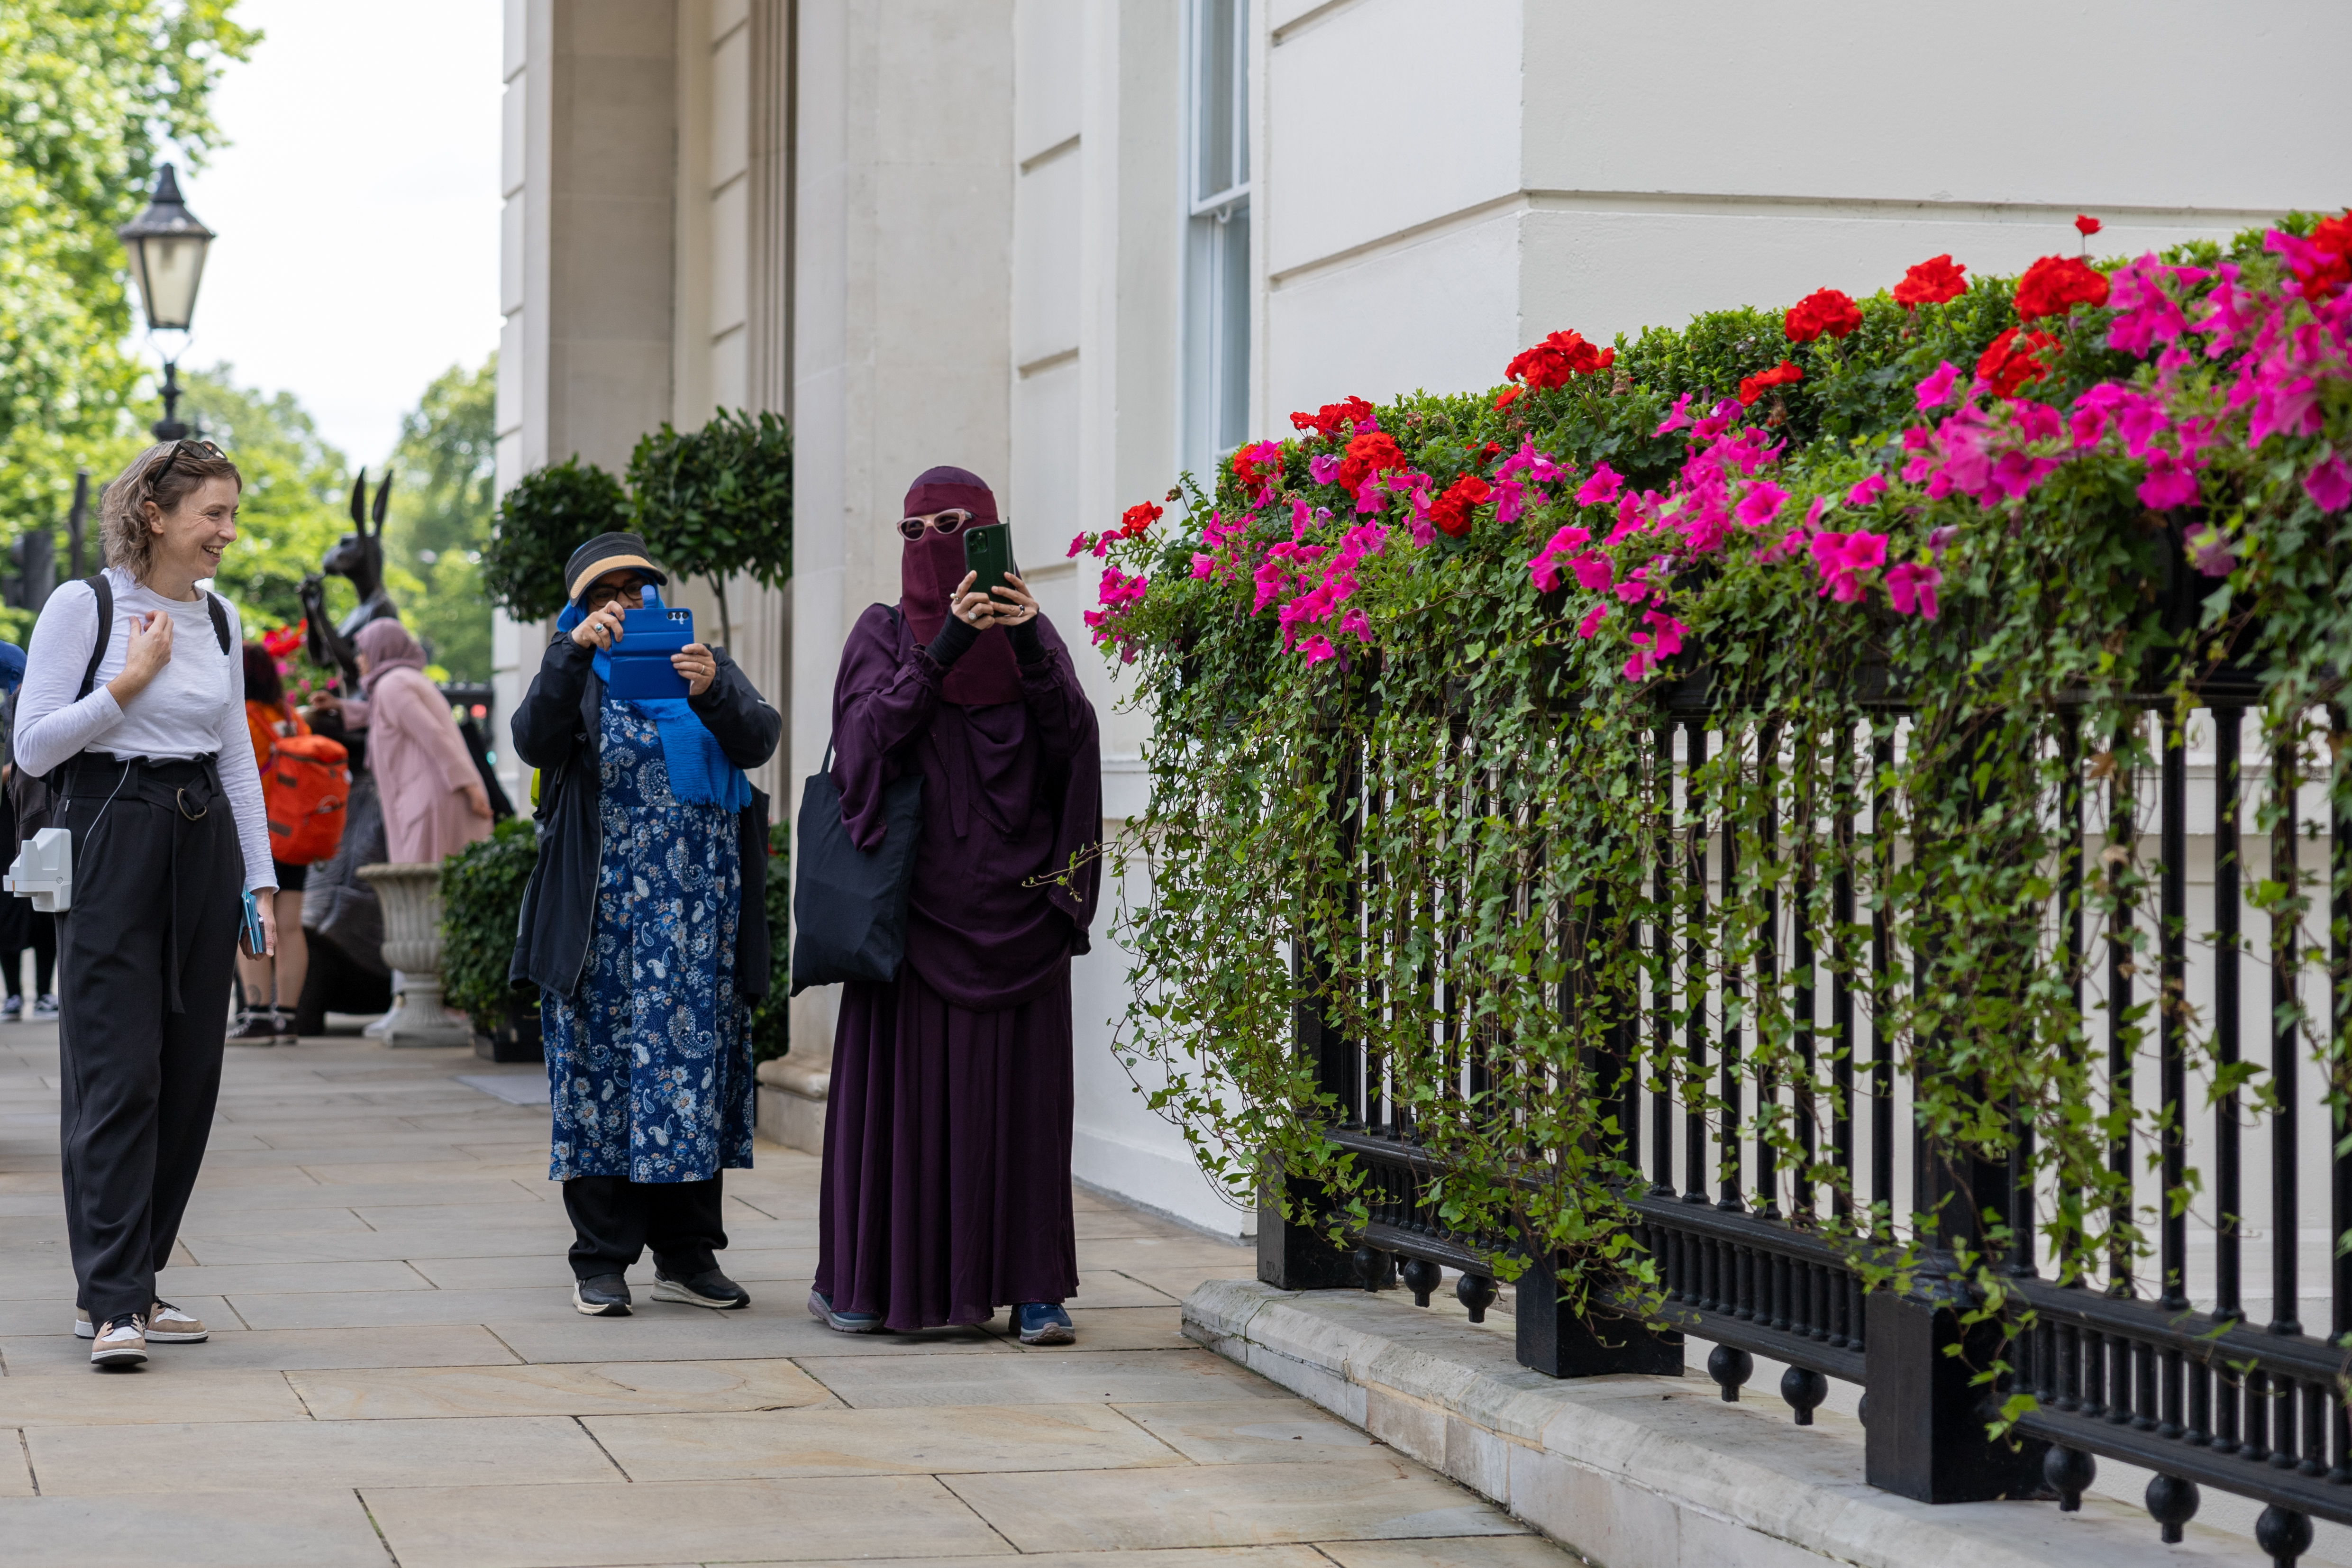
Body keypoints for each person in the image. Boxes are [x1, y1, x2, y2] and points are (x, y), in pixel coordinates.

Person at [811, 465, 1101, 1345]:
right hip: (912, 915)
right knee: (906, 1108)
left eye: (952, 525)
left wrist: (1022, 645)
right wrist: (937, 655)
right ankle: (875, 1283)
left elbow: (1071, 747)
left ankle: (1034, 1289)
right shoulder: (883, 633)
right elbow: (862, 749)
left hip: (1015, 912)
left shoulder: (1032, 634)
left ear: (989, 535)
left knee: (1019, 1108)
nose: (931, 544)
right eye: (913, 530)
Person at [11, 438, 277, 1368]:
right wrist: (126, 686)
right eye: (213, 514)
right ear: (155, 514)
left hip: (201, 838)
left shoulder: (224, 618)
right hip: (111, 834)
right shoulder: (84, 605)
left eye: (233, 514)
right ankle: (111, 1299)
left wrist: (262, 880)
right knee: (119, 1072)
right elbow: (37, 746)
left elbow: (237, 755)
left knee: (190, 1077)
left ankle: (137, 1279)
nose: (227, 534)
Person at [509, 531, 781, 1318]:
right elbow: (534, 738)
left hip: (695, 929)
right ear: (581, 605)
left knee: (690, 1084)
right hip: (604, 928)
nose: (627, 602)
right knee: (600, 1085)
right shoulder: (573, 671)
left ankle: (687, 1258)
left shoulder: (701, 662)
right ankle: (600, 1260)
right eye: (607, 592)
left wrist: (713, 690)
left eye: (638, 588)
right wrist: (569, 651)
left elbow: (758, 739)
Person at [349, 618, 491, 865]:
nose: (358, 660)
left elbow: (433, 736)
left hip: (429, 803)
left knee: (423, 893)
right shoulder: (404, 680)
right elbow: (384, 717)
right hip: (436, 796)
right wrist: (340, 709)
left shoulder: (391, 685)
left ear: (381, 649)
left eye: (362, 652)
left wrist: (470, 788)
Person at [233, 642, 314, 1040]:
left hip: (257, 832)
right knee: (292, 926)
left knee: (251, 921)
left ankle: (258, 1015)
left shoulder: (243, 718)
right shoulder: (292, 717)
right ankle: (290, 1016)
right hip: (296, 834)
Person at [0, 640, 59, 1021]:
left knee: (43, 899)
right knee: (8, 905)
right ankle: (14, 995)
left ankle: (40, 994)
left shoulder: (27, 706)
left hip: (36, 813)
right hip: (11, 822)